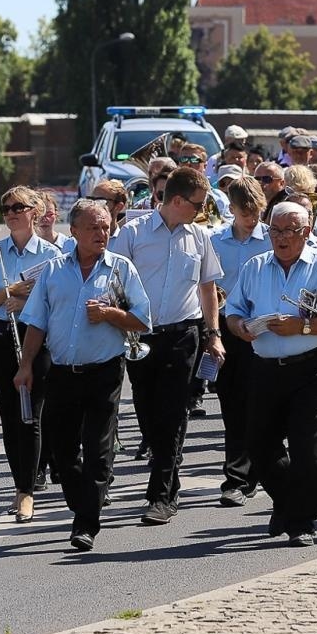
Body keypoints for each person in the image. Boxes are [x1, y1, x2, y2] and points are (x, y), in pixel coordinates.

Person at [16, 200, 151, 552]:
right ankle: (84, 504)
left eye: (105, 226)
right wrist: (26, 365)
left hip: (104, 371)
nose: (101, 233)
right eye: (93, 227)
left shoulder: (121, 268)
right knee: (62, 453)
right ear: (74, 231)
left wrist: (110, 314)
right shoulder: (53, 270)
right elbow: (36, 322)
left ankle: (86, 523)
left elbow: (142, 320)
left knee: (98, 451)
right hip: (62, 372)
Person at [225, 201, 317, 545]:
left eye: (289, 231)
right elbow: (233, 311)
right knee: (258, 443)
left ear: (306, 232)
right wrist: (240, 327)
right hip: (265, 366)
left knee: (305, 446)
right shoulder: (255, 267)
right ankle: (286, 501)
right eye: (275, 231)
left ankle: (302, 522)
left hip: (311, 366)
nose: (281, 238)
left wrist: (303, 326)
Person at [109, 165, 226, 524]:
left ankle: (162, 495)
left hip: (183, 335)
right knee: (148, 415)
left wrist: (214, 334)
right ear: (176, 200)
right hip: (140, 337)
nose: (202, 210)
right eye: (197, 203)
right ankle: (167, 474)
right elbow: (112, 281)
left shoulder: (199, 236)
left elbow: (207, 288)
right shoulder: (133, 233)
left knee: (174, 414)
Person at [0, 187, 60, 522]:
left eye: (17, 207)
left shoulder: (51, 255)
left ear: (34, 212)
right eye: (5, 208)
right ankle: (19, 485)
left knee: (31, 416)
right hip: (1, 337)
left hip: (36, 337)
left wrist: (25, 302)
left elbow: (59, 302)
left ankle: (27, 490)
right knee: (10, 417)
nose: (10, 213)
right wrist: (8, 292)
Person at [210, 175, 272, 506]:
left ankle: (259, 469)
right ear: (231, 209)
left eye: (256, 212)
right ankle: (236, 476)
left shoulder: (272, 239)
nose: (251, 219)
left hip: (265, 327)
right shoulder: (216, 241)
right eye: (245, 212)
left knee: (262, 404)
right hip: (228, 327)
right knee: (233, 405)